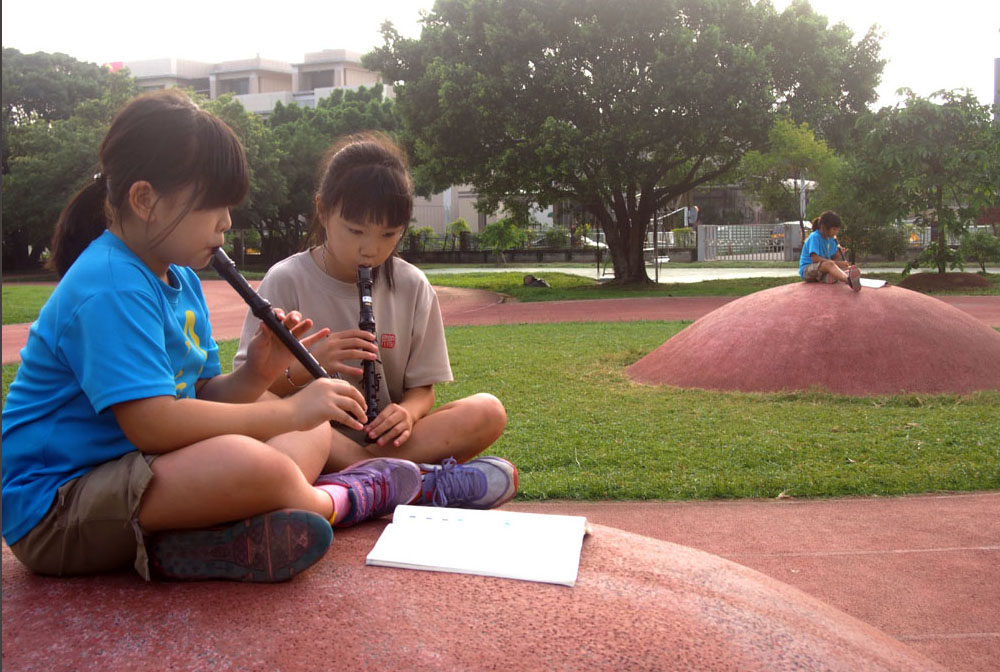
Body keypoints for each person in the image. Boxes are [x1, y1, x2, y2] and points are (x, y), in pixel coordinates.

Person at [1, 91, 421, 584]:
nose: (226, 221)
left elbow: (200, 397)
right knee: (258, 457)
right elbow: (154, 424)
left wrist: (256, 373)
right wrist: (286, 409)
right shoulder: (111, 284)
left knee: (309, 430)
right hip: (57, 509)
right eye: (213, 205)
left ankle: (203, 542)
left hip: (137, 475)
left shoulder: (180, 279)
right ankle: (345, 498)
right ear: (144, 200)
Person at [235, 133, 514, 509]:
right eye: (356, 231)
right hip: (310, 434)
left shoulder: (411, 284)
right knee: (304, 427)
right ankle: (407, 482)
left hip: (385, 439)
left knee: (487, 411)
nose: (372, 249)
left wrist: (406, 413)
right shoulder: (286, 280)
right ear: (322, 210)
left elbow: (422, 391)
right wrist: (308, 365)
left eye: (389, 235)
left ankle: (360, 482)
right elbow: (253, 394)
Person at [799, 210, 862, 291]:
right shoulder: (814, 237)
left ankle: (831, 278)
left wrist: (837, 254)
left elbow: (831, 260)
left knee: (847, 268)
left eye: (837, 230)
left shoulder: (831, 240)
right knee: (831, 264)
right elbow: (815, 259)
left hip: (822, 270)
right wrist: (838, 263)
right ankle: (848, 280)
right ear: (824, 227)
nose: (836, 232)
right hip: (807, 270)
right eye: (834, 229)